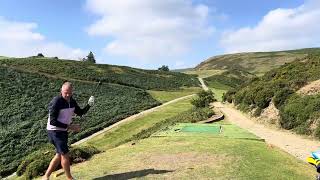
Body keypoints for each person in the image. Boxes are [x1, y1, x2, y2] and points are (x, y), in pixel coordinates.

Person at [43, 82, 95, 180]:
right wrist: (71, 127)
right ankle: (69, 178)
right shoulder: (56, 102)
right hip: (54, 131)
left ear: (72, 92)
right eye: (65, 92)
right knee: (65, 154)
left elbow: (80, 113)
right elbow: (53, 121)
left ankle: (46, 176)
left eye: (69, 93)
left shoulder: (72, 101)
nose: (67, 95)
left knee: (59, 154)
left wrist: (89, 104)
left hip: (62, 131)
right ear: (61, 91)